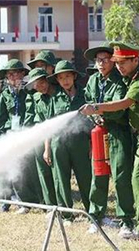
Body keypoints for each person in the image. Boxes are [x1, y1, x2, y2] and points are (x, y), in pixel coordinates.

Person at [80, 42, 139, 239]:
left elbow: (125, 103)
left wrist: (96, 108)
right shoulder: (128, 77)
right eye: (117, 62)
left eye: (122, 62)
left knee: (137, 178)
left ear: (135, 60)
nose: (118, 66)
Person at [83, 43, 135, 235]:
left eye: (105, 60)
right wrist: (95, 116)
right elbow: (87, 100)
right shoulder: (93, 80)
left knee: (121, 175)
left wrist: (102, 112)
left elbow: (120, 106)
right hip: (98, 131)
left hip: (118, 132)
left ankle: (126, 220)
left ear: (113, 61)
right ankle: (96, 217)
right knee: (98, 174)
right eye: (98, 60)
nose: (101, 64)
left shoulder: (120, 80)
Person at [44, 60, 92, 223]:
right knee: (61, 179)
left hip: (80, 143)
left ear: (74, 77)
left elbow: (91, 122)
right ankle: (66, 215)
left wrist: (92, 145)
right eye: (61, 78)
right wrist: (47, 148)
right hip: (59, 144)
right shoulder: (54, 98)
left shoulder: (85, 95)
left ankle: (92, 211)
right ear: (57, 80)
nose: (65, 80)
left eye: (67, 76)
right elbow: (48, 125)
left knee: (85, 177)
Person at [0, 59, 38, 214]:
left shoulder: (30, 92)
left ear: (23, 74)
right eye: (10, 74)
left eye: (16, 73)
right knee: (16, 170)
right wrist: (5, 136)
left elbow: (32, 113)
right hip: (12, 137)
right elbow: (1, 119)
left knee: (29, 169)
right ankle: (23, 202)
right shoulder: (4, 95)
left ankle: (34, 199)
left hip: (28, 136)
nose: (13, 77)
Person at [23, 68, 57, 207]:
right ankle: (49, 205)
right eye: (36, 85)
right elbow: (40, 121)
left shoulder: (57, 95)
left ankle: (61, 205)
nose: (39, 87)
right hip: (43, 138)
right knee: (44, 173)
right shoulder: (37, 98)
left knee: (57, 175)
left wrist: (47, 147)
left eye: (42, 82)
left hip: (57, 140)